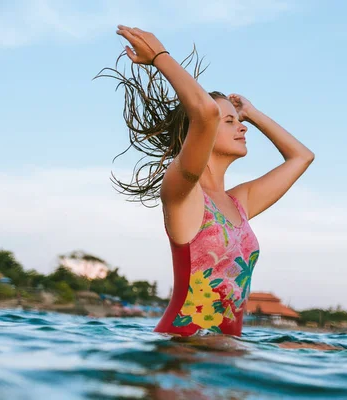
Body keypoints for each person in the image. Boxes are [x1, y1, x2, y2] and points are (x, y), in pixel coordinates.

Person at [109, 25, 314, 337]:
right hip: (183, 354)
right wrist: (160, 57)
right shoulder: (182, 189)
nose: (242, 128)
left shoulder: (238, 202)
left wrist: (253, 114)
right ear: (198, 133)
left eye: (239, 121)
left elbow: (301, 157)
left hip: (224, 357)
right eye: (229, 121)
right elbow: (204, 113)